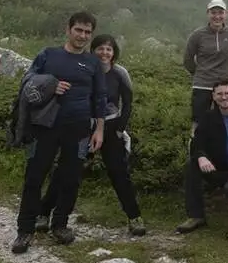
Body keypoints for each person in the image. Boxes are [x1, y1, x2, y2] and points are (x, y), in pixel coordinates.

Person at [12, 12, 108, 254]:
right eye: (79, 30)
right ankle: (25, 230)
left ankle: (60, 225)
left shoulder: (93, 63)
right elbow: (28, 80)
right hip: (45, 126)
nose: (83, 36)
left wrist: (99, 131)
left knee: (71, 178)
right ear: (68, 29)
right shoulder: (48, 55)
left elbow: (100, 98)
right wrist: (51, 83)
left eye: (87, 32)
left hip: (78, 129)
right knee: (34, 176)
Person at [36, 35, 146, 237]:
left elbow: (128, 103)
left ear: (114, 53)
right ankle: (43, 213)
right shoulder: (84, 68)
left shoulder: (120, 73)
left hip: (111, 127)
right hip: (83, 126)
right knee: (65, 171)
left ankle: (134, 217)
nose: (105, 53)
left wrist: (120, 129)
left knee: (119, 172)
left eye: (109, 49)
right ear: (92, 50)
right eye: (100, 49)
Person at [176, 78, 228, 234]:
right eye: (219, 94)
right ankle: (196, 216)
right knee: (191, 165)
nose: (224, 97)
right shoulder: (208, 117)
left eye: (227, 93)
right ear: (213, 96)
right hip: (220, 169)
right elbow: (197, 142)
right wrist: (201, 156)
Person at [183, 0, 228, 129]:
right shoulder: (197, 35)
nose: (217, 16)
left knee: (225, 122)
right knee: (198, 123)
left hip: (225, 88)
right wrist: (199, 73)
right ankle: (196, 147)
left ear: (226, 14)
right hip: (202, 86)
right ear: (208, 14)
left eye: (220, 12)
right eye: (213, 12)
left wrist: (227, 76)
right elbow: (187, 59)